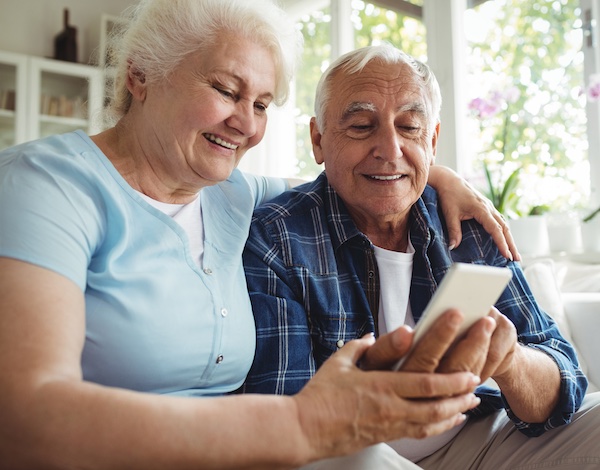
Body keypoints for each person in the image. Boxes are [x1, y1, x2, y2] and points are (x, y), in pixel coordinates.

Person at [0, 1, 520, 468]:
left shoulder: (232, 194)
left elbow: (354, 176)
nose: (245, 124)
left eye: (263, 104)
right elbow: (24, 418)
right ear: (140, 75)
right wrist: (302, 425)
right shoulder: (45, 186)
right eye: (227, 91)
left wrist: (438, 177)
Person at [242, 44, 600, 469]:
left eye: (409, 126)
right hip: (349, 451)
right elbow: (284, 417)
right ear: (318, 140)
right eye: (360, 126)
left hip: (477, 435)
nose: (389, 149)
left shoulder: (466, 224)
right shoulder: (276, 236)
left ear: (432, 141)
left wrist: (509, 361)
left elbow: (566, 384)